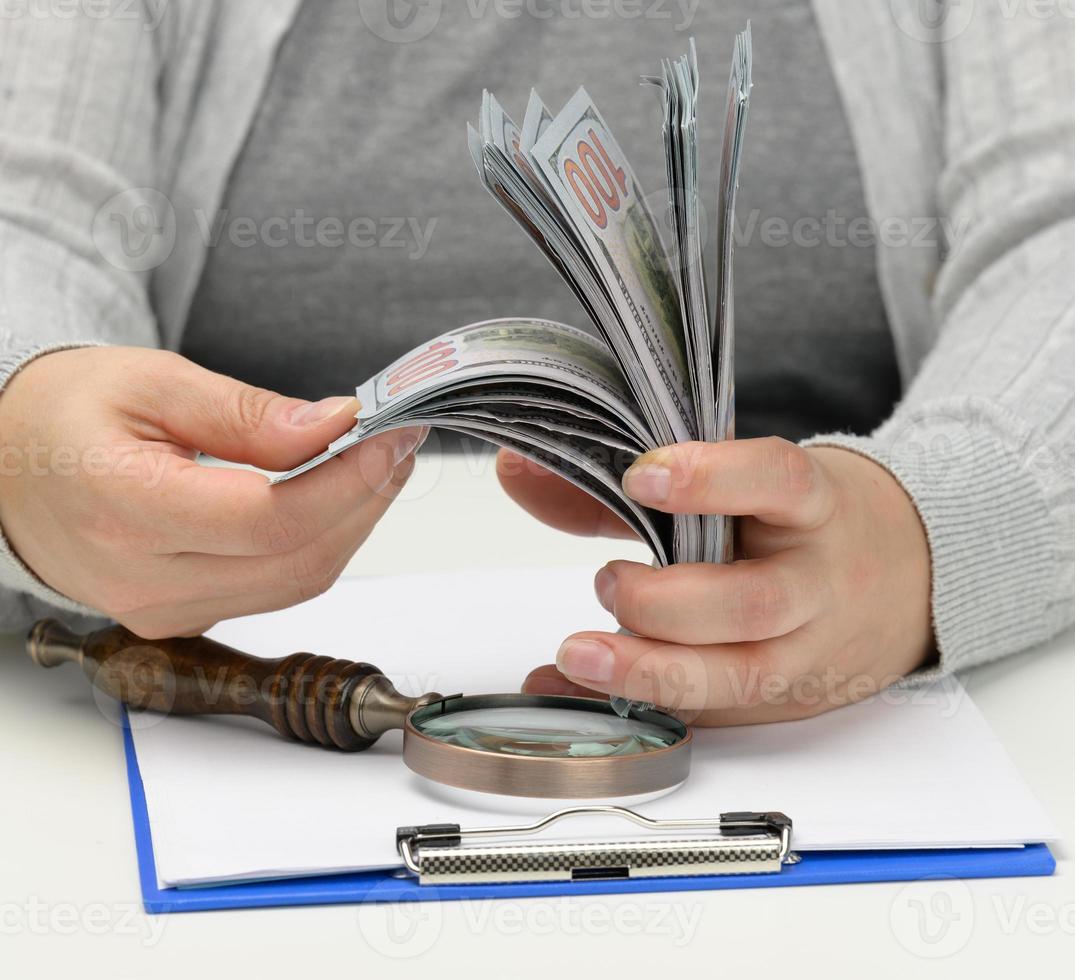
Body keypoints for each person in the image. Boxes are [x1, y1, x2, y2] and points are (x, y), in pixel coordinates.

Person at [0, 1, 1072, 724]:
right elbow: (24, 213)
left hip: (871, 710)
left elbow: (1055, 226)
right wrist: (24, 440)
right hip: (211, 693)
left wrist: (934, 527)